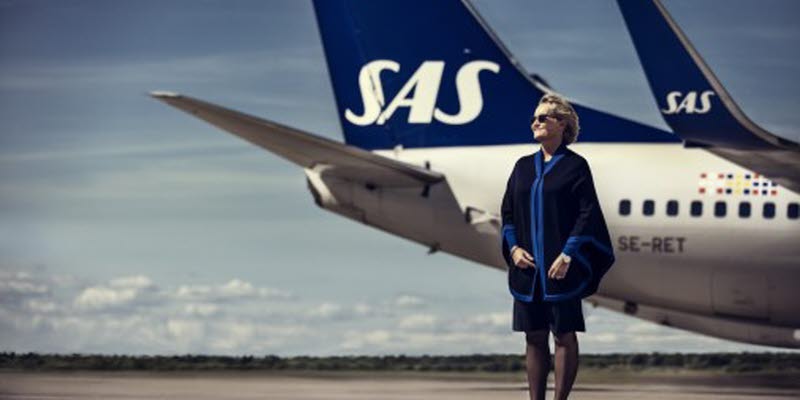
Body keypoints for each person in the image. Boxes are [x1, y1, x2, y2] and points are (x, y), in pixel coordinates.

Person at [500, 93, 615, 400]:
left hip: (561, 268)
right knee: (533, 336)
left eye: (543, 118)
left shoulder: (576, 166)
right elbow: (508, 213)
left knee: (564, 335)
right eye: (534, 118)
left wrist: (568, 254)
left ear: (562, 124)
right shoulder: (522, 166)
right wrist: (513, 250)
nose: (535, 122)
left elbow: (587, 213)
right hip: (527, 269)